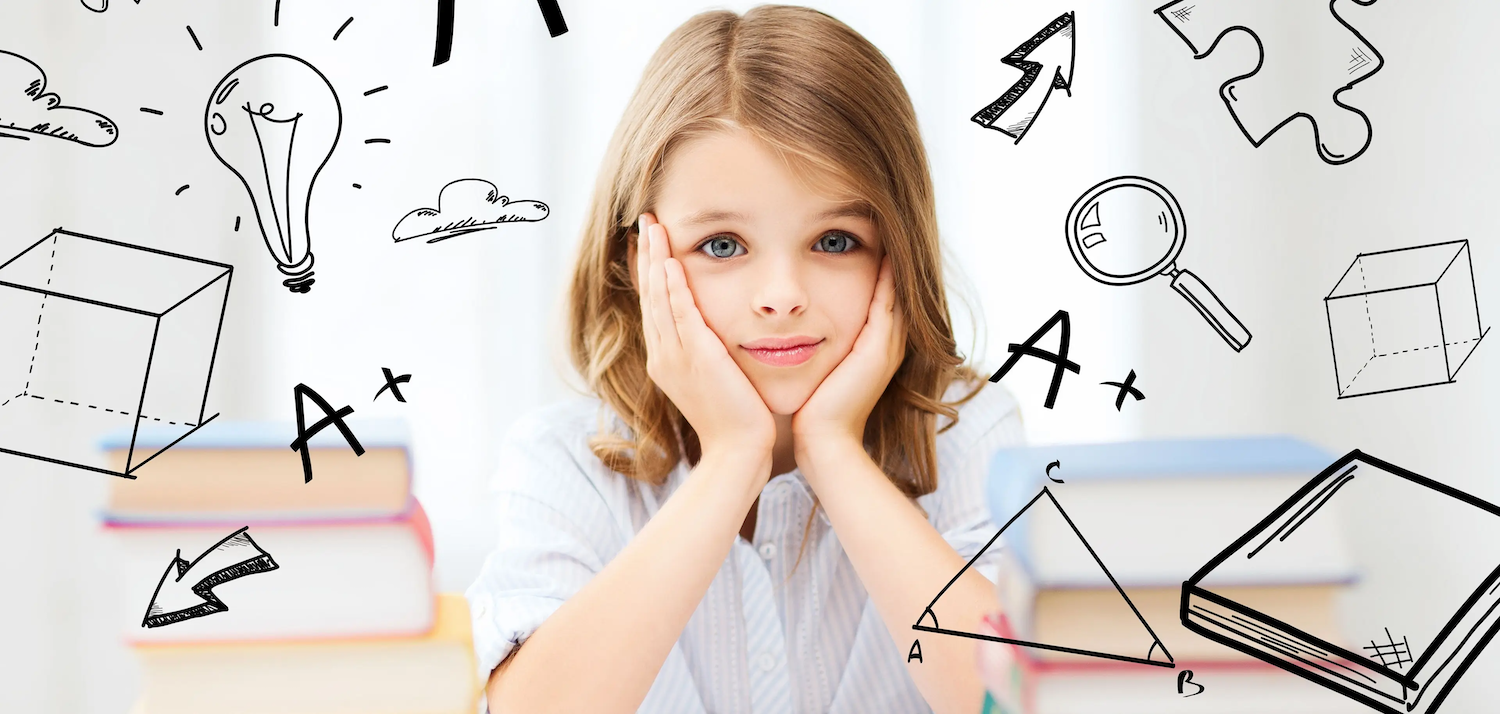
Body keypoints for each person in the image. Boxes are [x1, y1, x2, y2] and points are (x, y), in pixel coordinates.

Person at [466, 6, 1023, 713]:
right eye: (723, 246)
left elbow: (1016, 696)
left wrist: (835, 453)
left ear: (898, 252)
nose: (782, 296)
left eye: (834, 241)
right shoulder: (565, 463)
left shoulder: (967, 434)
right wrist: (732, 457)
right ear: (640, 262)